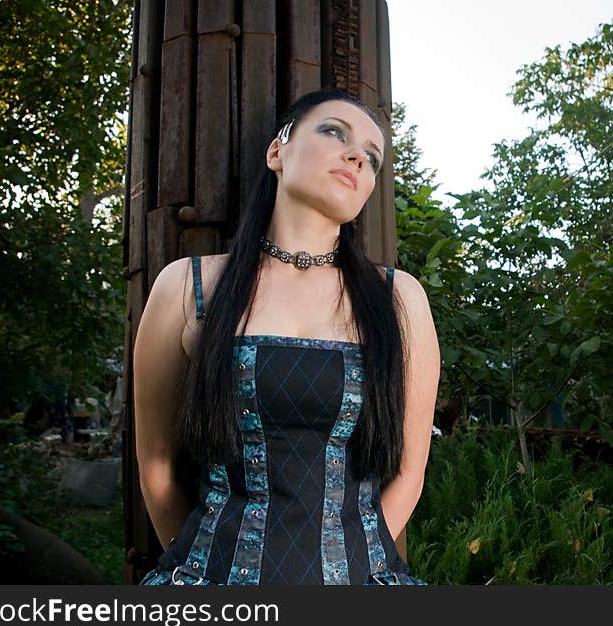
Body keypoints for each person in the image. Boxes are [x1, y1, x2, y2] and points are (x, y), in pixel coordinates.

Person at [133, 88, 441, 585]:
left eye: (373, 157)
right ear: (278, 151)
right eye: (334, 132)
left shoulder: (398, 299)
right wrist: (198, 571)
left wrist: (349, 571)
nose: (357, 155)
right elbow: (159, 466)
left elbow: (408, 473)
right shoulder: (189, 287)